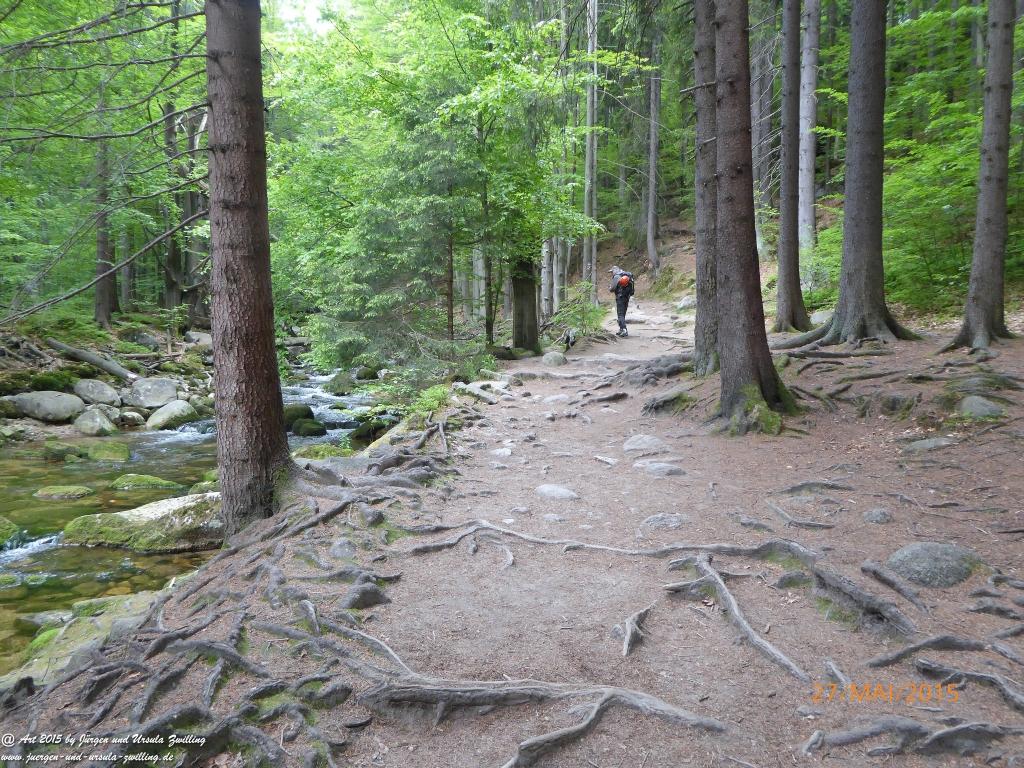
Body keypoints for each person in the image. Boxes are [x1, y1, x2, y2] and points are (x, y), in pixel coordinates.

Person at [608, 265, 635, 337]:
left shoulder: (617, 276)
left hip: (620, 297)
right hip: (627, 296)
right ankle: (621, 329)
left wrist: (609, 288)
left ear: (615, 270)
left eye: (612, 272)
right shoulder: (627, 275)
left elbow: (612, 288)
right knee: (623, 313)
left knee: (620, 314)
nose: (611, 273)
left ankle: (624, 330)